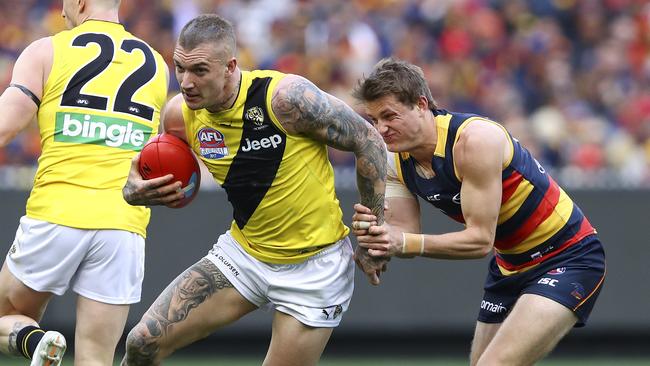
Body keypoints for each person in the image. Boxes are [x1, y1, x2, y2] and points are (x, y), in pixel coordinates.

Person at [120, 14, 387, 366]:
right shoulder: (179, 115)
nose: (185, 82)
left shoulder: (286, 99)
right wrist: (133, 189)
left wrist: (370, 234)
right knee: (141, 343)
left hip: (314, 269)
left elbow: (369, 141)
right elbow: (151, 163)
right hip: (243, 257)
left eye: (199, 70)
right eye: (179, 68)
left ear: (231, 66)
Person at [350, 58, 606, 366]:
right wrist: (376, 240)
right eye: (374, 119)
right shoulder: (393, 160)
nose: (381, 129)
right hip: (508, 266)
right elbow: (404, 234)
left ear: (421, 104)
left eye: (389, 116)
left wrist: (399, 242)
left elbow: (479, 241)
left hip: (568, 257)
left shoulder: (474, 141)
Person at [0, 0, 169, 365]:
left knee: (5, 318)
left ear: (79, 2)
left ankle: (32, 342)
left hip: (57, 211)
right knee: (96, 357)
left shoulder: (47, 50)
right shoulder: (156, 64)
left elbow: (5, 126)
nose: (62, 13)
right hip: (123, 227)